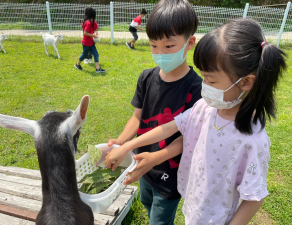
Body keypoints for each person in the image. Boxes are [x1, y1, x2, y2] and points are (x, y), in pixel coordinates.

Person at [105, 18, 287, 225]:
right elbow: (170, 127)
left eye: (211, 80)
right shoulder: (206, 108)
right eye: (203, 77)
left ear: (245, 82)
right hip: (194, 206)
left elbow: (254, 197)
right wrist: (128, 144)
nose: (204, 85)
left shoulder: (252, 140)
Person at [107, 0, 202, 224]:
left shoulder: (196, 89)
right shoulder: (146, 77)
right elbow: (137, 117)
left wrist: (155, 158)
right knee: (147, 203)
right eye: (153, 45)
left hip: (169, 172)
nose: (160, 53)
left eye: (169, 46)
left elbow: (186, 139)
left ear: (190, 43)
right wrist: (121, 142)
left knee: (160, 219)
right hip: (141, 162)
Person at [75, 6, 106, 73]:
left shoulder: (92, 22)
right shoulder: (88, 23)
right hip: (86, 43)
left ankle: (98, 69)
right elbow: (85, 33)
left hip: (91, 43)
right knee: (84, 55)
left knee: (96, 54)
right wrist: (93, 35)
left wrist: (96, 34)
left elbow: (95, 28)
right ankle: (77, 65)